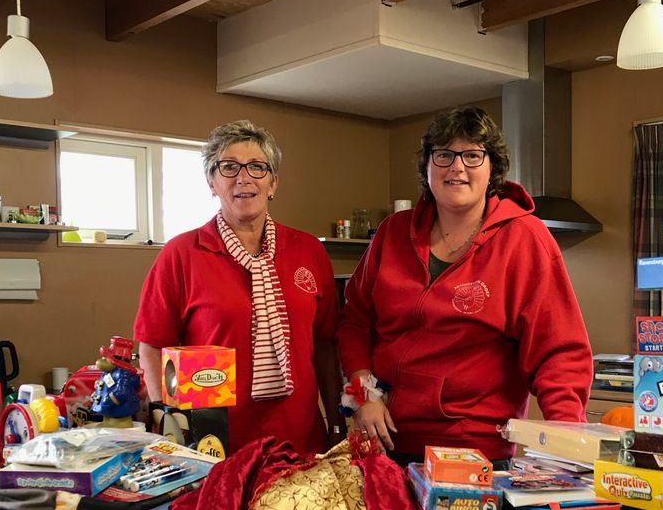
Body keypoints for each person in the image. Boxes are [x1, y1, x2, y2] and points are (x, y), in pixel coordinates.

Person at [336, 106, 593, 466]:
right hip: (383, 443)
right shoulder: (393, 233)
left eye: (472, 155)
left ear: (493, 170)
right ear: (427, 167)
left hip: (472, 451)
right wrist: (362, 395)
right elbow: (355, 322)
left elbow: (558, 351)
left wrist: (566, 447)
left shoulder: (524, 239)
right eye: (444, 155)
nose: (457, 167)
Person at [133, 120, 345, 456]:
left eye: (257, 168)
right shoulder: (182, 253)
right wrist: (168, 422)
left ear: (273, 183)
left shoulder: (308, 250)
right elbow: (153, 346)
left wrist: (336, 420)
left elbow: (324, 344)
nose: (243, 178)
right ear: (211, 182)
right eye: (229, 167)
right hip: (212, 444)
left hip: (300, 438)